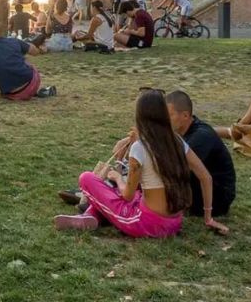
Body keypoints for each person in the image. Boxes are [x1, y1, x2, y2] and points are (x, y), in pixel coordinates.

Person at [54, 90, 228, 236]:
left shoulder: (139, 147)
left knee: (87, 178)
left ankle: (91, 214)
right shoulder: (177, 141)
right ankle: (89, 216)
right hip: (174, 223)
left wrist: (118, 177)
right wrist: (208, 218)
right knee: (134, 193)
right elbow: (206, 177)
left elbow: (127, 195)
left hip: (147, 224)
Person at [0, 21, 55, 101]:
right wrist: (34, 47)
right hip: (31, 84)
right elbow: (34, 52)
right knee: (26, 62)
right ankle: (35, 90)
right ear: (2, 32)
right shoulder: (14, 41)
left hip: (12, 94)